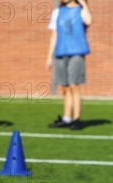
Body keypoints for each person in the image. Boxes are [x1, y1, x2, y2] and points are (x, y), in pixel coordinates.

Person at [47, 0, 92, 131]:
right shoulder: (57, 12)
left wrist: (84, 4)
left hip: (76, 52)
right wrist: (49, 56)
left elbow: (89, 21)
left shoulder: (81, 10)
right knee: (65, 88)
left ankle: (77, 119)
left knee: (74, 86)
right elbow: (54, 35)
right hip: (60, 52)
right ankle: (66, 118)